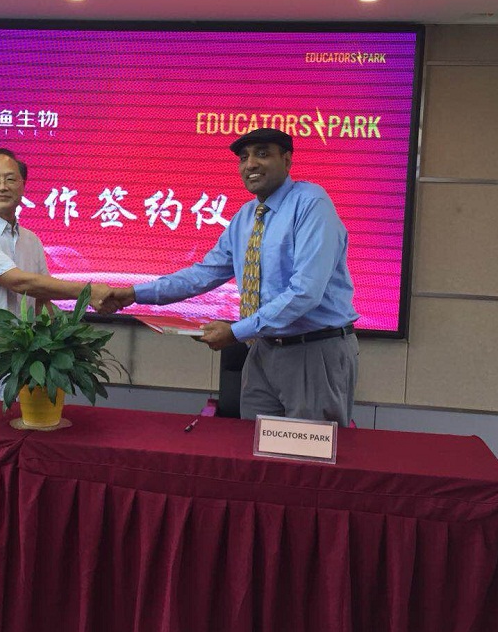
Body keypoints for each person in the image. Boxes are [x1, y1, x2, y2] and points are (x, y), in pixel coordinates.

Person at [103, 128, 359, 424]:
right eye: (243, 158)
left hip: (313, 350)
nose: (250, 164)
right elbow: (203, 274)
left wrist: (237, 332)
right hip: (263, 350)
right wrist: (133, 294)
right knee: (253, 446)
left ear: (287, 160)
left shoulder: (311, 203)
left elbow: (305, 292)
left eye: (262, 154)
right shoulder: (246, 217)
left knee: (307, 451)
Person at [0, 148, 112, 399]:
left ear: (23, 186)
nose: (2, 186)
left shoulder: (31, 240)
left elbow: (42, 300)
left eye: (10, 179)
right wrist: (88, 292)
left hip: (19, 378)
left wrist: (63, 346)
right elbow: (19, 282)